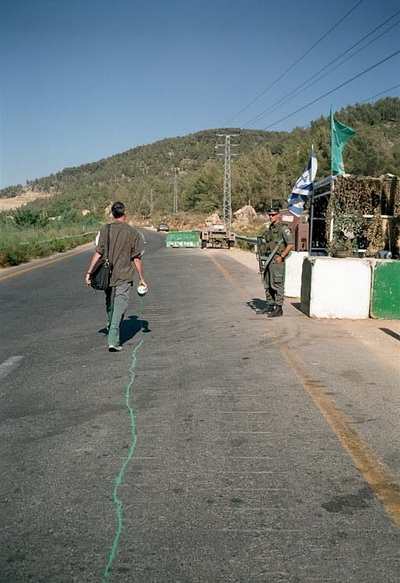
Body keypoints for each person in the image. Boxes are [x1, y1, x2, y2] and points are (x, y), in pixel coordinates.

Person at [85, 202, 148, 351]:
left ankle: (110, 323)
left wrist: (89, 272)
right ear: (125, 213)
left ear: (112, 214)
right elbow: (136, 258)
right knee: (120, 302)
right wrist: (141, 278)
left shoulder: (105, 229)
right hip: (124, 274)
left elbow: (98, 252)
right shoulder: (133, 233)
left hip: (106, 273)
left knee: (109, 300)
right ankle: (113, 338)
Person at [258, 205, 294, 318]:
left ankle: (279, 308)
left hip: (277, 259)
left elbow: (290, 244)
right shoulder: (271, 228)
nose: (271, 217)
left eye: (273, 215)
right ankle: (270, 305)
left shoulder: (283, 229)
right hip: (268, 258)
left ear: (279, 215)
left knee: (277, 283)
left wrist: (282, 257)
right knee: (267, 282)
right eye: (269, 215)